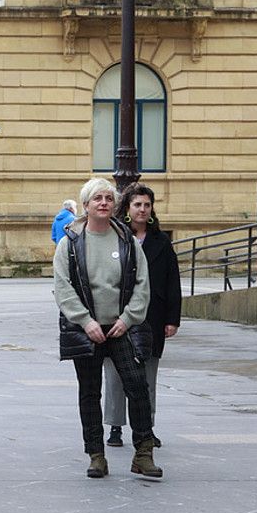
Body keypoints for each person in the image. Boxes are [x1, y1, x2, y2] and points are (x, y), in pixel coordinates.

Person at [53, 178, 161, 480]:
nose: (103, 203)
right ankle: (96, 455)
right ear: (85, 206)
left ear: (115, 205)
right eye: (96, 199)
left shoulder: (127, 241)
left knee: (138, 387)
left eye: (108, 198)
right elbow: (63, 288)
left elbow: (143, 285)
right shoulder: (70, 243)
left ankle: (143, 452)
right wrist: (85, 321)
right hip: (86, 330)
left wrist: (128, 318)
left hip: (121, 327)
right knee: (89, 393)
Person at [103, 184, 181, 449]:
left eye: (147, 205)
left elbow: (173, 282)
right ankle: (115, 425)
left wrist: (173, 319)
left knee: (148, 376)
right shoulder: (115, 237)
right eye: (137, 204)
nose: (142, 209)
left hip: (153, 316)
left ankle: (147, 427)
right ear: (127, 207)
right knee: (115, 373)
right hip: (117, 316)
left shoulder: (161, 241)